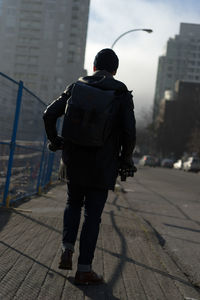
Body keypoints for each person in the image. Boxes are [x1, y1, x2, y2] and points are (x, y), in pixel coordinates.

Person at [43, 48, 136, 285]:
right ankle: (84, 269)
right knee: (92, 216)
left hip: (73, 160)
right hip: (103, 165)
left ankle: (66, 249)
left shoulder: (76, 87)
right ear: (115, 70)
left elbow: (49, 114)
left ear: (94, 67)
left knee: (72, 203)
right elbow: (129, 132)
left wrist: (55, 141)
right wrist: (125, 160)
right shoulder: (121, 92)